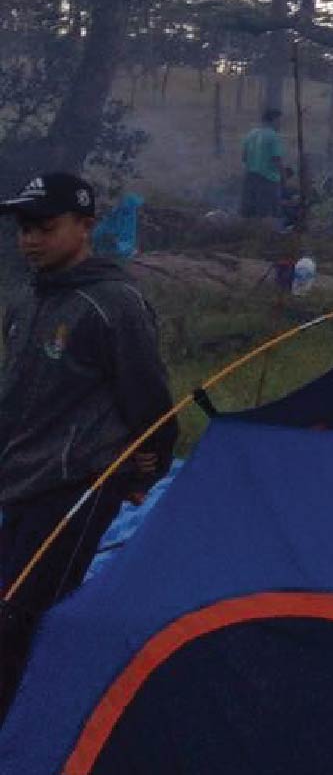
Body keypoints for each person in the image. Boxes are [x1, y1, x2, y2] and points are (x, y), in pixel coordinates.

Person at [0, 173, 175, 709]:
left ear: (86, 227)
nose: (30, 240)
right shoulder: (27, 298)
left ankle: (31, 728)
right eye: (24, 229)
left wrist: (145, 473)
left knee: (23, 613)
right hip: (21, 476)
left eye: (45, 228)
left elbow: (150, 402)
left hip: (78, 483)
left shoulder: (113, 303)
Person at [238, 106, 284, 220]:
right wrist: (284, 177)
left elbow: (244, 158)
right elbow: (276, 159)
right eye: (279, 120)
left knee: (249, 211)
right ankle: (268, 235)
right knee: (268, 213)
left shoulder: (250, 134)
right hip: (268, 180)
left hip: (249, 178)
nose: (280, 124)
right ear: (273, 120)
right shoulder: (273, 136)